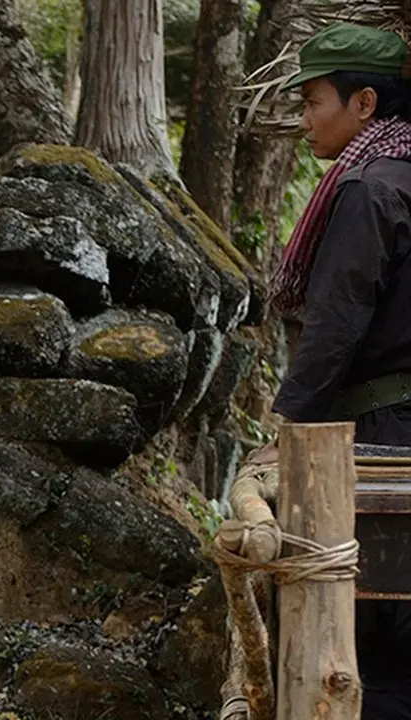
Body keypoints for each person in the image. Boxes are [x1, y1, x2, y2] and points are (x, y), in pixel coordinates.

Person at [263, 22, 411, 720]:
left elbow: (335, 323)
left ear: (364, 104)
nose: (304, 119)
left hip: (384, 435)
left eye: (313, 101)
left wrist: (287, 427)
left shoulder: (368, 190)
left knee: (372, 630)